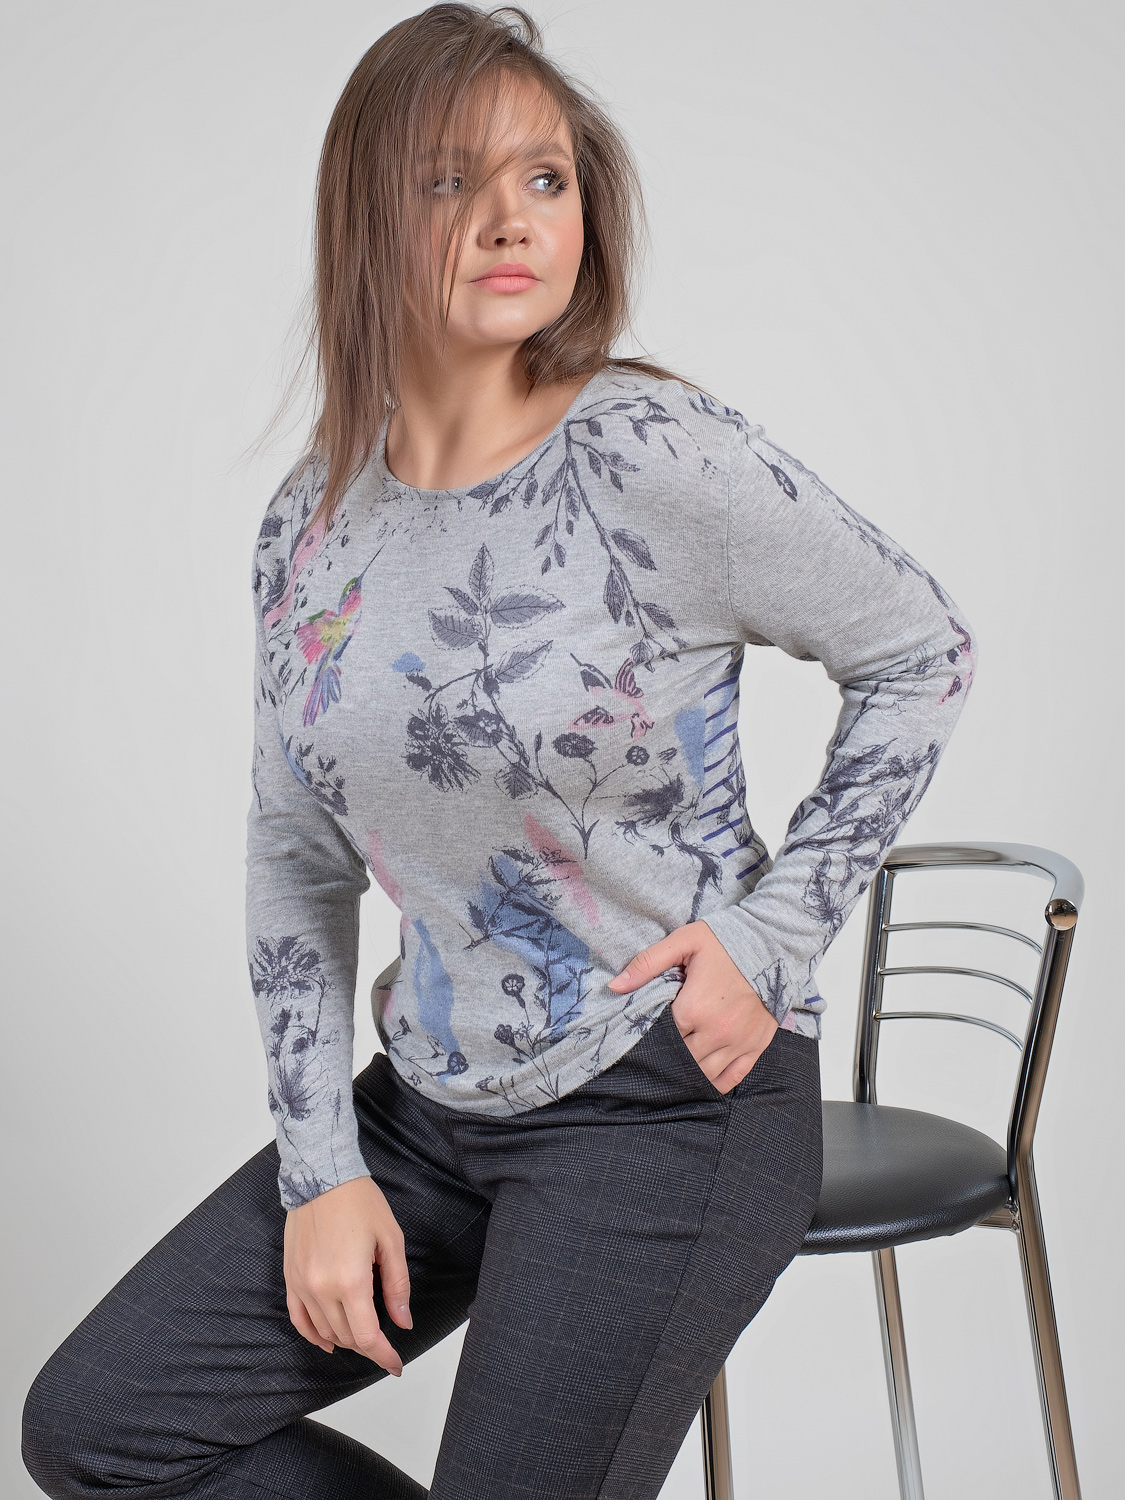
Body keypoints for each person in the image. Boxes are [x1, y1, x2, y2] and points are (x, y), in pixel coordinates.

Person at [22, 6, 975, 1498]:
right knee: (102, 1430)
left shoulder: (650, 453)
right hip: (430, 1103)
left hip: (664, 1097)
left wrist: (772, 934)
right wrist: (321, 1168)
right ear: (367, 217)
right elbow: (295, 859)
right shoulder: (309, 523)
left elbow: (922, 652)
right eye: (447, 181)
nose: (509, 219)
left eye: (545, 179)